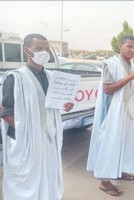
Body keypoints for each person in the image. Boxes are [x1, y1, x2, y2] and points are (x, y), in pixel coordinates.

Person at [0, 33, 74, 200]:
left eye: (46, 49)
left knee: (47, 175)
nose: (44, 52)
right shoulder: (15, 78)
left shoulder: (52, 77)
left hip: (48, 139)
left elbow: (50, 106)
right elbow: (6, 113)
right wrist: (27, 135)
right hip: (25, 142)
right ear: (27, 51)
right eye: (38, 49)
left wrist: (65, 105)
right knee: (24, 180)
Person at [86, 35, 134, 197]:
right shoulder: (110, 64)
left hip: (129, 112)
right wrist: (130, 77)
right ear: (120, 47)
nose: (132, 50)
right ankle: (104, 181)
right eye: (129, 46)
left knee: (126, 142)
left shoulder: (133, 64)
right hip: (114, 113)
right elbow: (108, 89)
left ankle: (121, 169)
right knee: (110, 144)